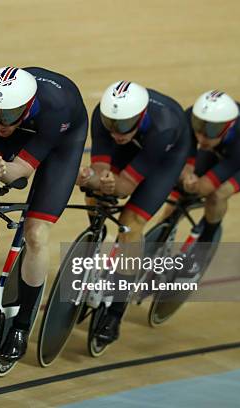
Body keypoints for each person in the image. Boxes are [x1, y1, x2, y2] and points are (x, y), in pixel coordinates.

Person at [0, 66, 88, 362]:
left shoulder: (56, 107)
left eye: (7, 115)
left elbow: (20, 172)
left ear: (26, 107)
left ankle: (22, 326)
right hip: (25, 126)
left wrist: (4, 168)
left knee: (35, 234)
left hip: (61, 140)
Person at [76, 81, 190, 348]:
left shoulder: (164, 126)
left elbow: (125, 187)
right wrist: (91, 178)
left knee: (130, 225)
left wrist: (106, 182)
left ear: (140, 116)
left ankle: (115, 312)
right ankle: (97, 242)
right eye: (111, 124)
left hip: (165, 157)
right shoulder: (104, 118)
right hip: (133, 146)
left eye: (123, 124)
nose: (116, 131)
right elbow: (102, 168)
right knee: (96, 197)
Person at [176, 90, 240, 246]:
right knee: (178, 191)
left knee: (216, 195)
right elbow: (187, 155)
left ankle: (207, 240)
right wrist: (187, 175)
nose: (201, 137)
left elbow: (205, 186)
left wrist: (194, 185)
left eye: (211, 131)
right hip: (217, 148)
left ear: (228, 127)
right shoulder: (190, 117)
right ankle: (163, 232)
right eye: (199, 128)